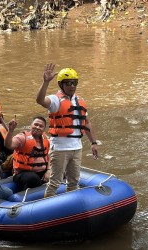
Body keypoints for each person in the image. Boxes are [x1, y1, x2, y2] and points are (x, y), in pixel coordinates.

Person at [36, 63, 99, 197]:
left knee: (74, 182)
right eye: (68, 83)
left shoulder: (79, 100)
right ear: (61, 85)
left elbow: (86, 122)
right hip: (60, 149)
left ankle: (71, 212)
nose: (72, 86)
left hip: (77, 148)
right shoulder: (55, 100)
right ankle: (49, 210)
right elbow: (40, 100)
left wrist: (93, 143)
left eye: (74, 82)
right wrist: (45, 82)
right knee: (55, 182)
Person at [5, 116, 51, 191]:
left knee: (60, 171)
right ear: (31, 126)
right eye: (36, 124)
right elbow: (9, 145)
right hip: (23, 173)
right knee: (32, 178)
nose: (38, 127)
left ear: (44, 129)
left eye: (41, 126)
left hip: (43, 171)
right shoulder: (22, 137)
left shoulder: (46, 139)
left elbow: (50, 157)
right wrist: (11, 131)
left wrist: (49, 170)